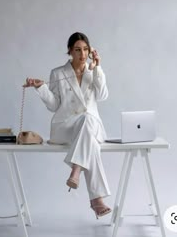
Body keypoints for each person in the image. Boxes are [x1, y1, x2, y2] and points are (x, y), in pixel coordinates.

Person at [24, 32, 111, 219]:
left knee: (88, 121)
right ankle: (96, 198)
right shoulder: (58, 73)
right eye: (78, 49)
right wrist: (42, 88)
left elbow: (103, 95)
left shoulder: (93, 71)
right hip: (65, 127)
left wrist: (98, 68)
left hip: (90, 126)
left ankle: (77, 172)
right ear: (70, 51)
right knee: (91, 141)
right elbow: (54, 105)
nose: (83, 54)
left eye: (86, 49)